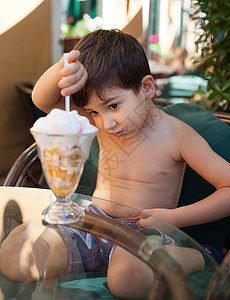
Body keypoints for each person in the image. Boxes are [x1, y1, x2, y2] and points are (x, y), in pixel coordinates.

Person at [1, 29, 230, 298]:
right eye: (94, 112)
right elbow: (41, 99)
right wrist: (66, 67)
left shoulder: (177, 135)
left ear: (146, 87)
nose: (105, 123)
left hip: (143, 231)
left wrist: (173, 218)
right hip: (92, 222)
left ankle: (198, 257)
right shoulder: (102, 121)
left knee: (125, 280)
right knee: (14, 256)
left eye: (113, 106)